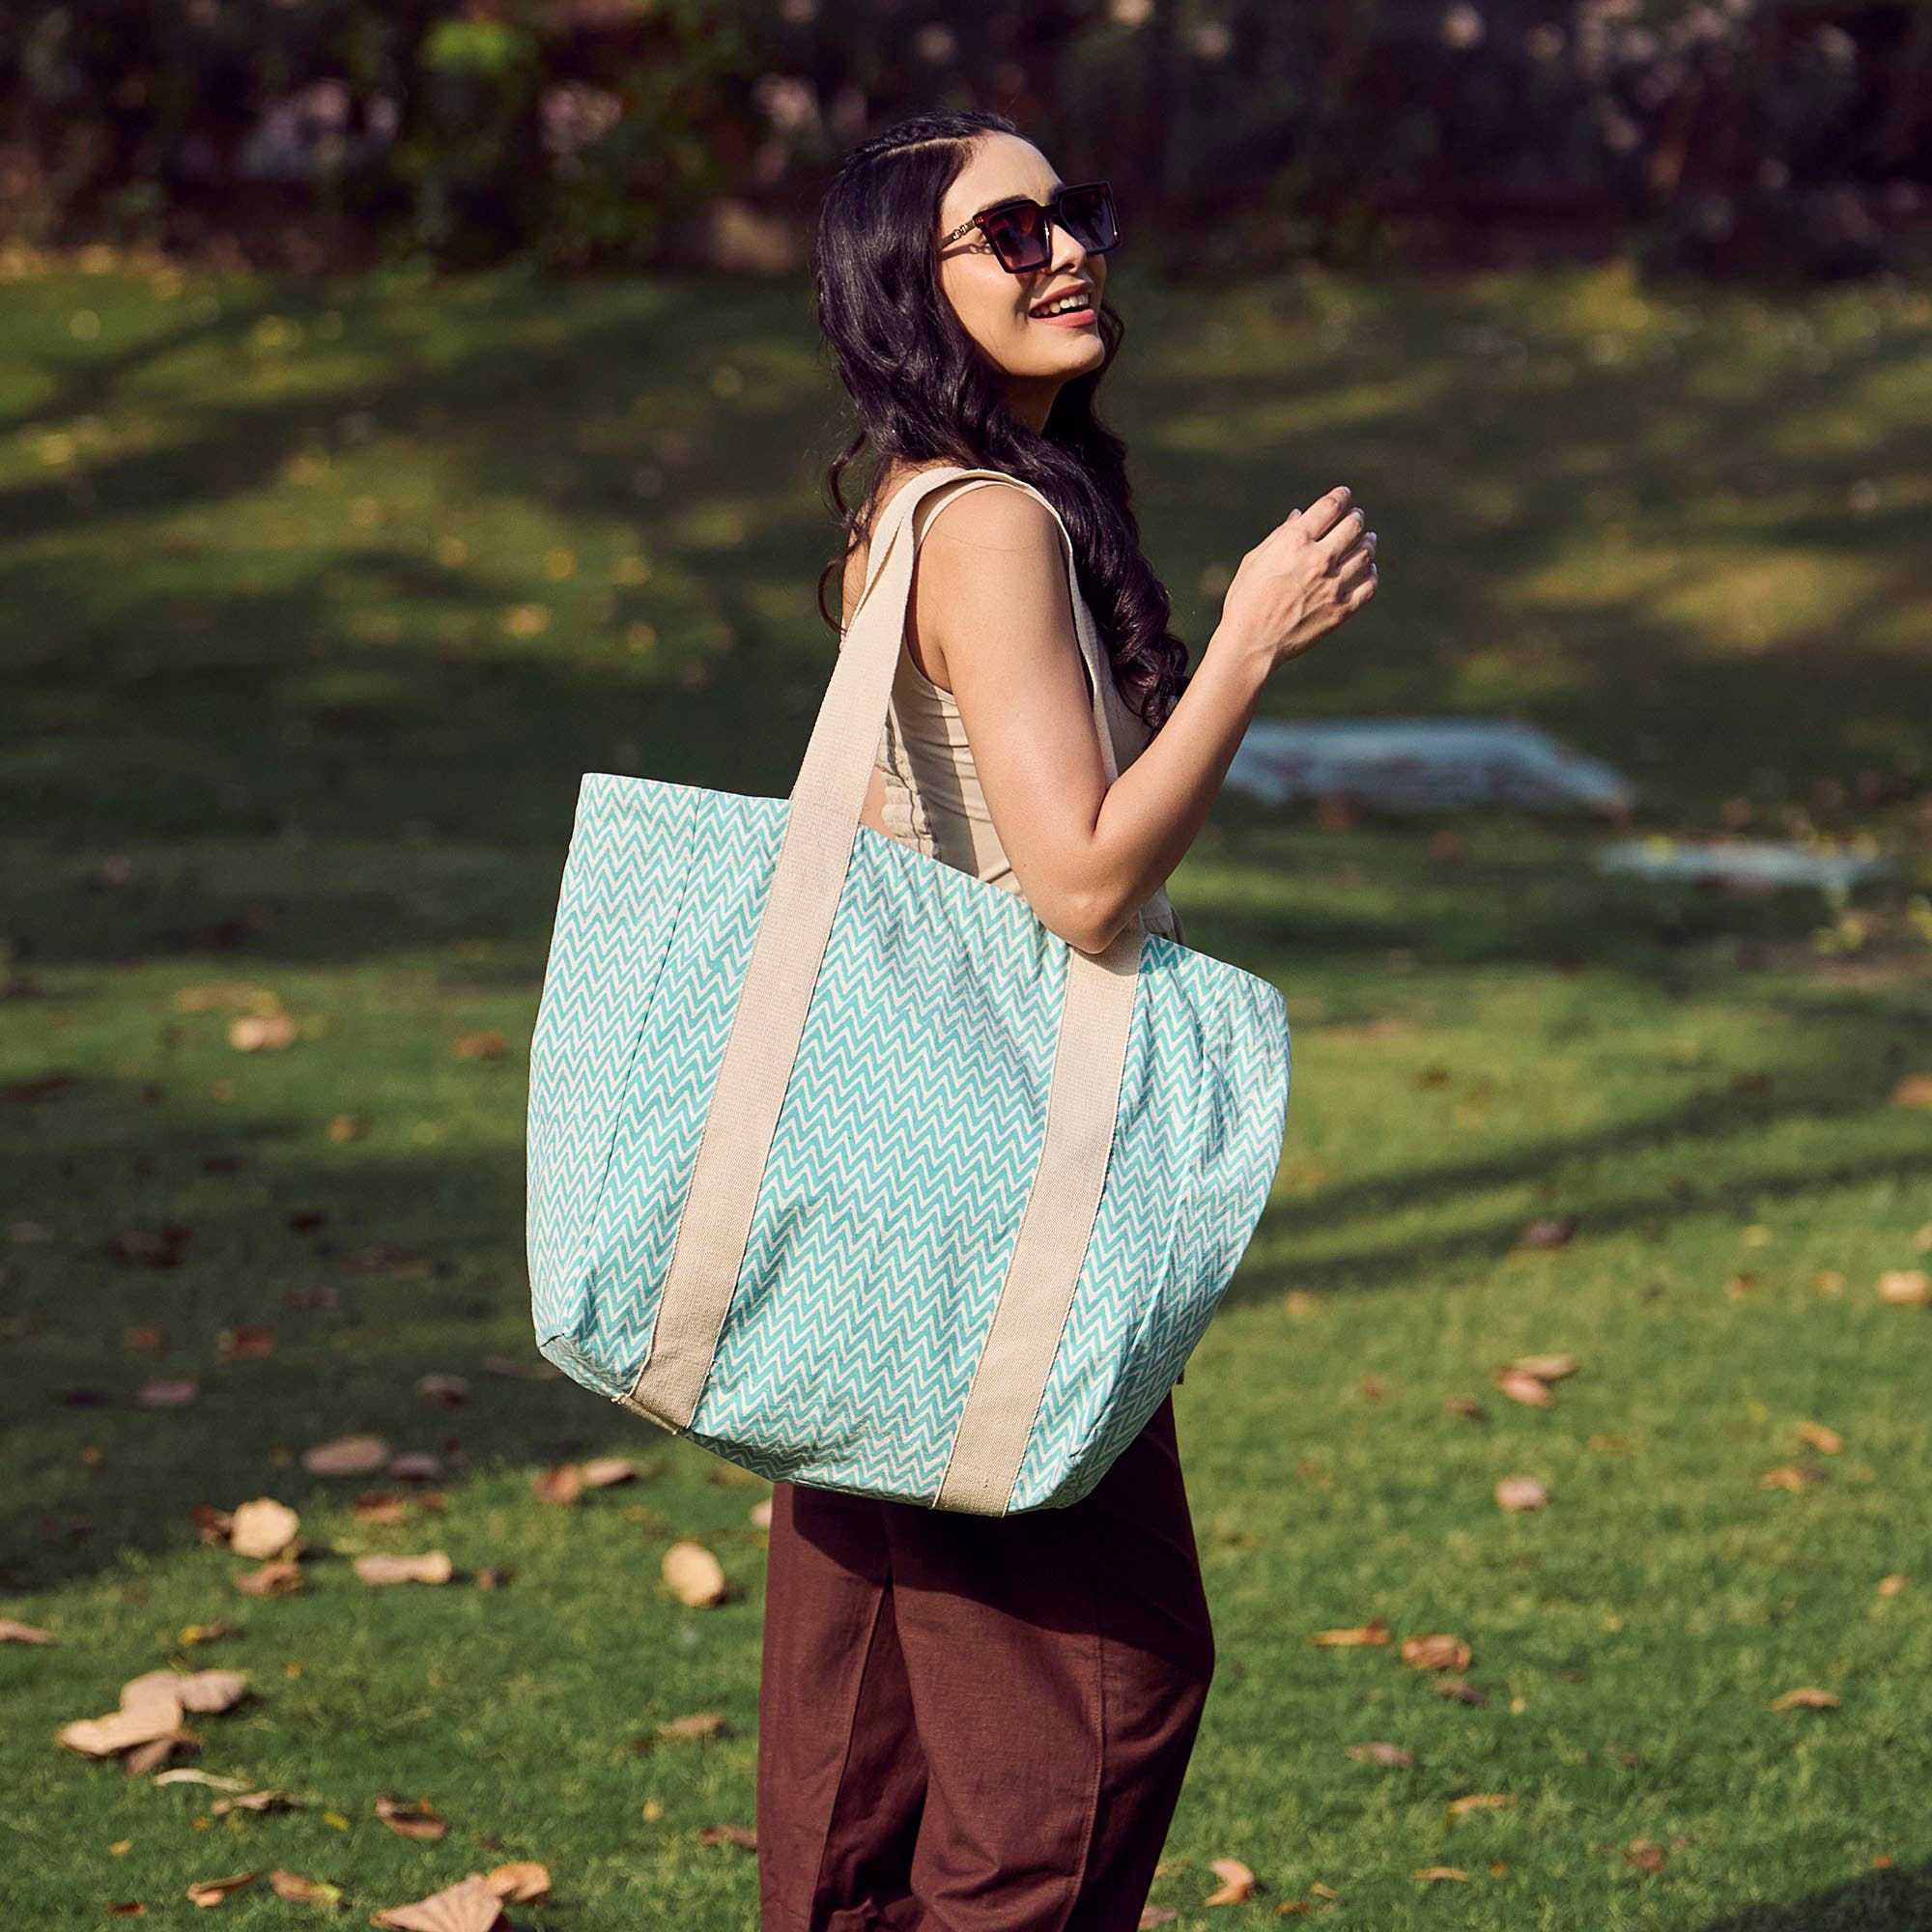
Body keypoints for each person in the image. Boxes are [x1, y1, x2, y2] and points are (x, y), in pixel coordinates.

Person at [757, 108, 1378, 1932]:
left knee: (864, 1737)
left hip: (878, 1183)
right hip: (985, 1201)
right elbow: (1087, 883)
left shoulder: (917, 506)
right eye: (1004, 233)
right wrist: (1252, 640)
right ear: (910, 290)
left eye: (1070, 213)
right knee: (1090, 1708)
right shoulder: (992, 527)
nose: (1064, 251)